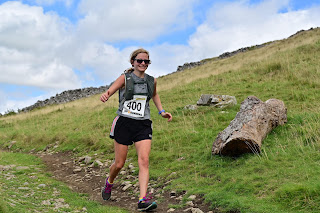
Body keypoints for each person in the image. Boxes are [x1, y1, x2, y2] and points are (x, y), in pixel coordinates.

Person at [100, 48, 172, 211]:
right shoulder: (125, 78)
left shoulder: (151, 81)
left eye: (146, 61)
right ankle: (109, 182)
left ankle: (142, 199)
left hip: (143, 123)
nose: (142, 64)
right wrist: (107, 94)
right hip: (124, 122)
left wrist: (161, 111)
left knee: (144, 160)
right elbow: (111, 90)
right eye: (139, 61)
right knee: (119, 164)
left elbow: (154, 95)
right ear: (132, 62)